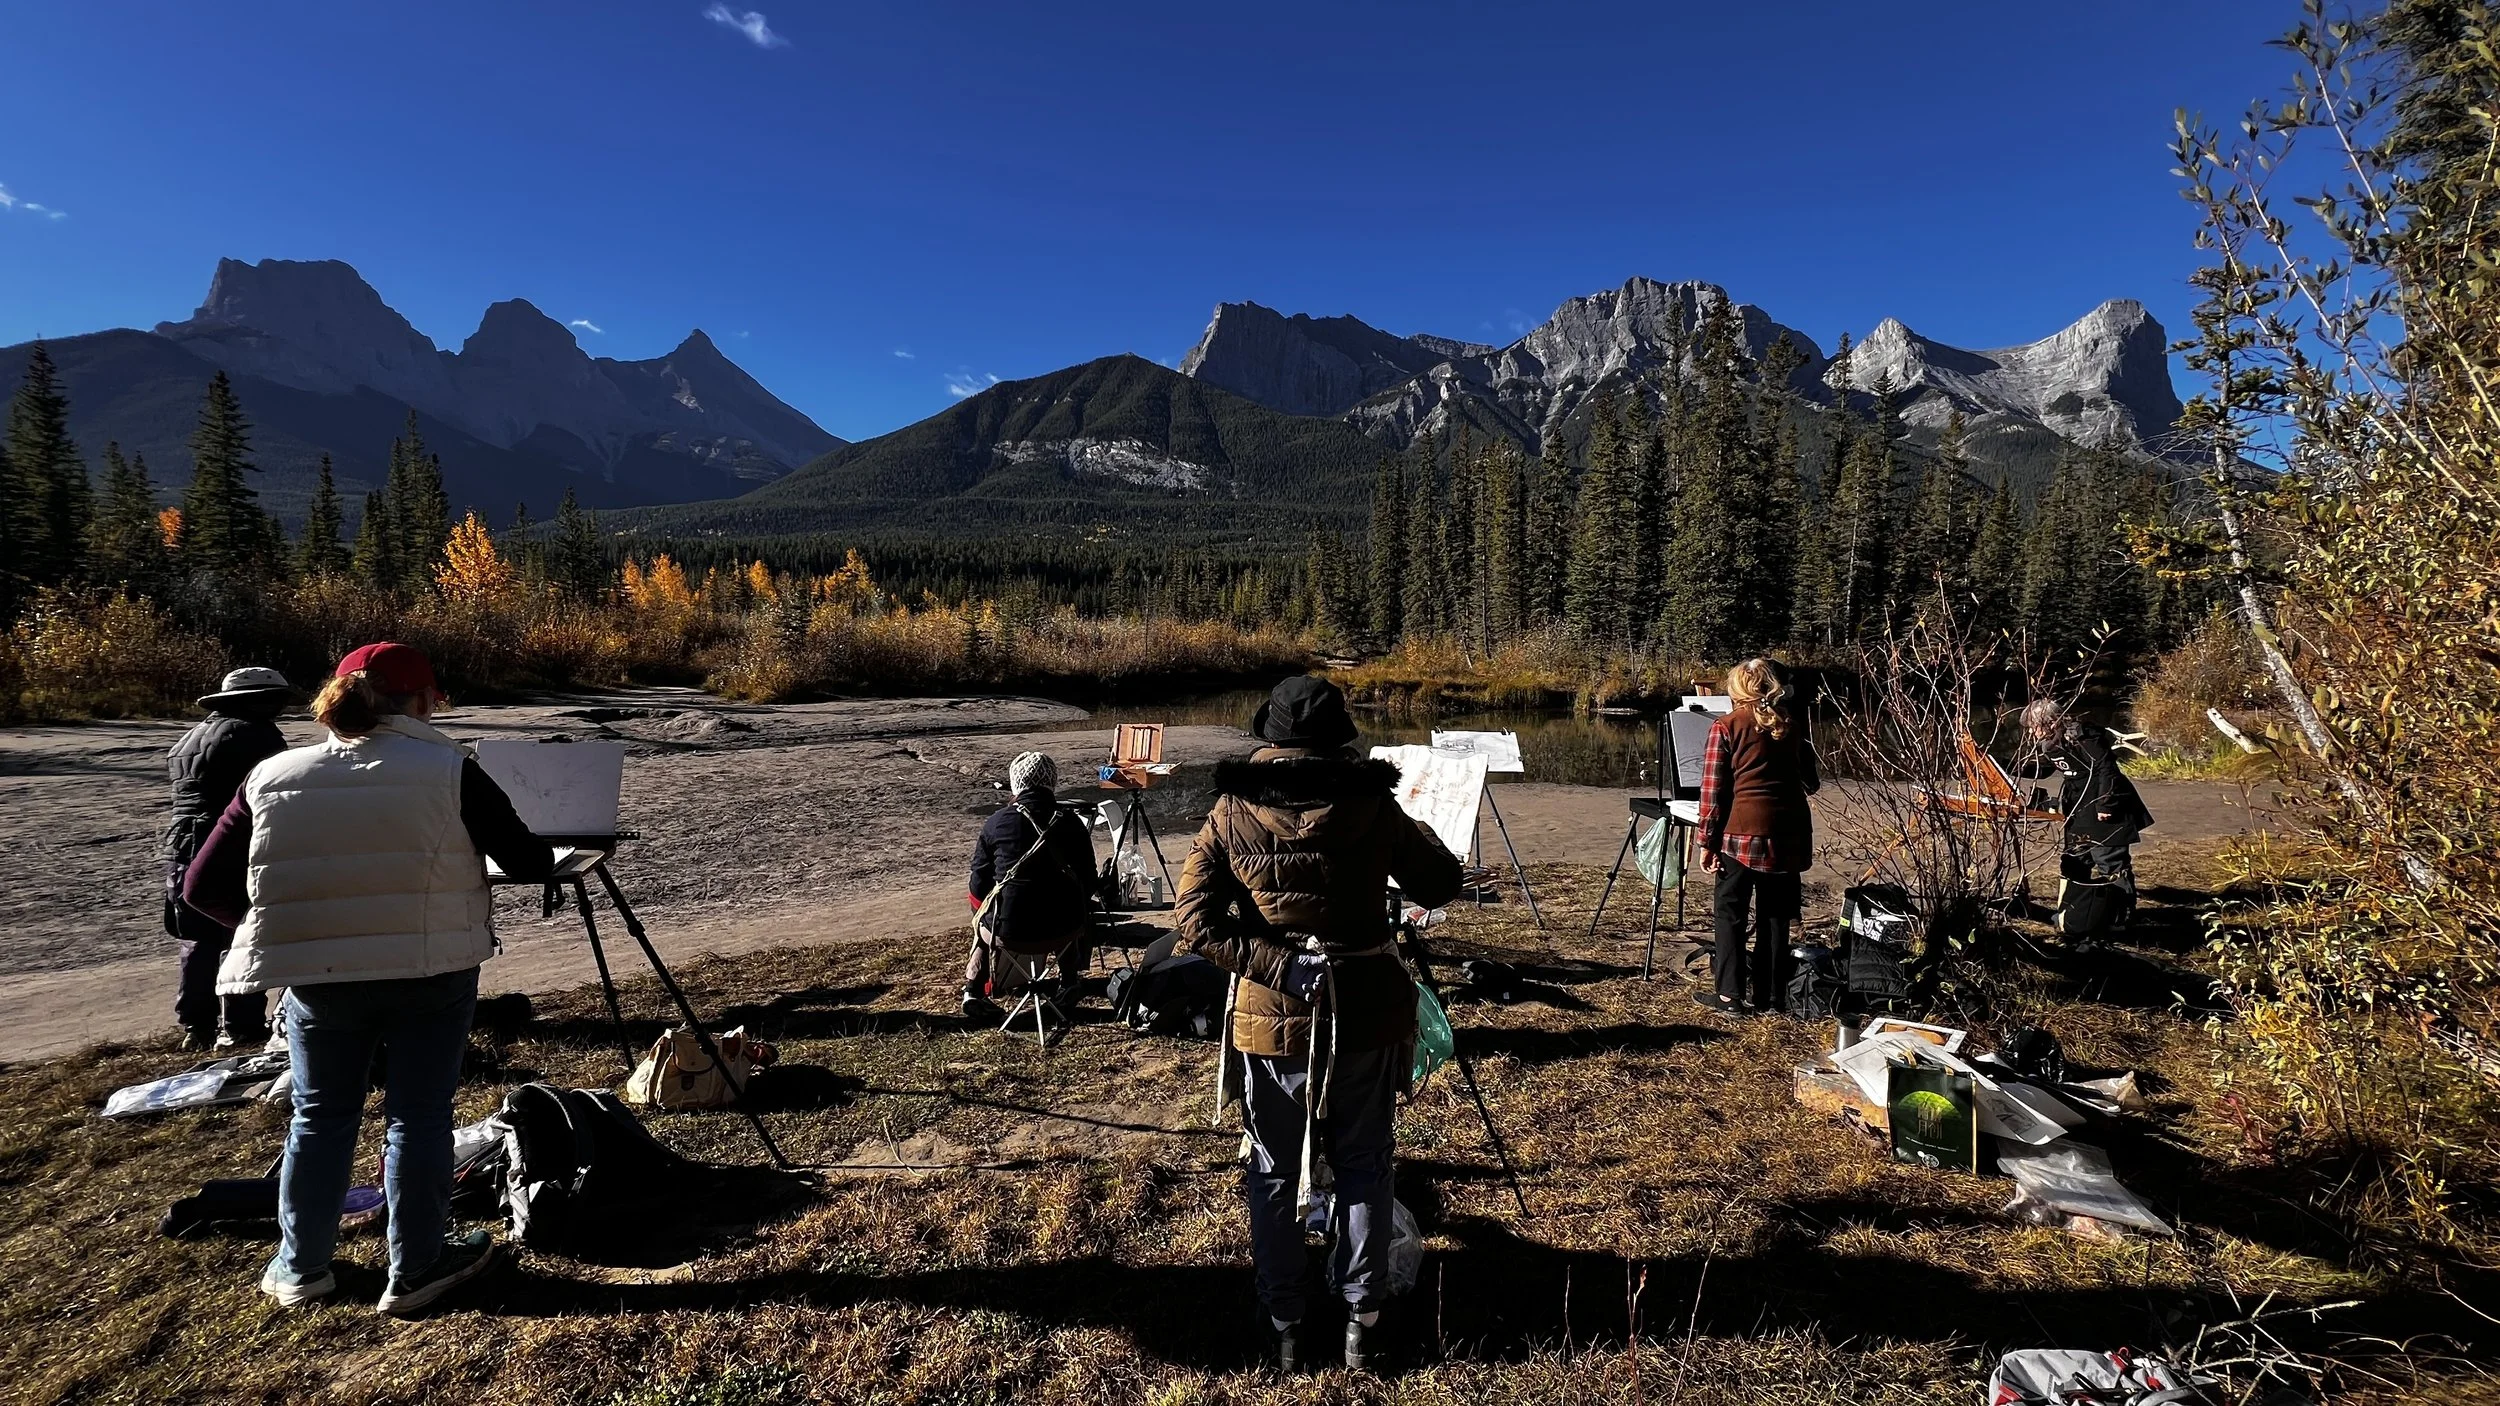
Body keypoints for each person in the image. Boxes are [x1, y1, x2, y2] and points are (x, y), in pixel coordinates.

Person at [184, 641, 553, 1316]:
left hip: (319, 980)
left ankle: (302, 1268)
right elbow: (528, 861)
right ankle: (418, 1268)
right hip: (432, 970)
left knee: (320, 1117)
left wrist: (279, 925)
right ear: (421, 701)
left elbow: (201, 886)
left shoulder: (272, 775)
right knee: (418, 1118)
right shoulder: (451, 770)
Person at [1175, 676, 1462, 1373]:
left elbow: (1193, 921)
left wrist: (1277, 963)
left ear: (1270, 736)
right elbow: (1441, 882)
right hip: (1367, 1009)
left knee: (1273, 1169)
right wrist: (1410, 830)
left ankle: (1283, 1320)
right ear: (1339, 736)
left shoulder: (1233, 809)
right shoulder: (1373, 803)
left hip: (1271, 1017)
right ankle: (1364, 1319)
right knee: (1365, 1162)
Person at [160, 666, 293, 1049]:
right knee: (245, 930)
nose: (280, 707)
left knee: (197, 936)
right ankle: (242, 1024)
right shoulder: (255, 734)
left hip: (182, 845)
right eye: (275, 700)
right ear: (256, 701)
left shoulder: (188, 738)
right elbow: (273, 791)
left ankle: (196, 1025)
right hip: (231, 842)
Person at [1695, 657, 1821, 1015]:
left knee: (1730, 912)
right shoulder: (1793, 725)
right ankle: (1772, 997)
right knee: (1776, 917)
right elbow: (1811, 783)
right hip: (1788, 832)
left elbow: (1712, 794)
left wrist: (1706, 842)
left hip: (1741, 833)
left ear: (1737, 691)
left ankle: (1730, 995)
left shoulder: (1726, 726)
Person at [962, 751, 1099, 1022]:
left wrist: (982, 914)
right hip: (1063, 930)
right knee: (1071, 902)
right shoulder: (1071, 822)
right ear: (1052, 781)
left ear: (1016, 782)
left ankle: (973, 991)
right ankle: (1069, 981)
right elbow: (1089, 880)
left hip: (1006, 932)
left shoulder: (996, 822)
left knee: (984, 915)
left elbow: (978, 885)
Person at [2019, 698, 2154, 921]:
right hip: (2078, 809)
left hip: (2105, 807)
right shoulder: (2051, 744)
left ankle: (2122, 916)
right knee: (2074, 862)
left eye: (2035, 727)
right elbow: (2044, 769)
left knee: (2110, 861)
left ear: (2051, 722)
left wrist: (2105, 804)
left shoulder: (2084, 738)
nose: (2032, 733)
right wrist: (2002, 764)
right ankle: (2072, 914)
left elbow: (2107, 769)